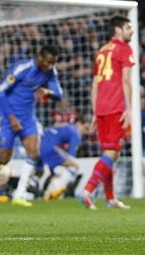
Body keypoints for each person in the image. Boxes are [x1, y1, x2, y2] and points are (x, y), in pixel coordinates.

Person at [0, 46, 63, 207]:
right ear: (40, 57)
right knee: (3, 160)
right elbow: (0, 92)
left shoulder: (50, 72)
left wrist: (47, 92)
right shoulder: (22, 68)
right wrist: (11, 117)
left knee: (33, 153)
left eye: (53, 63)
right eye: (48, 62)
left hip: (28, 119)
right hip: (9, 118)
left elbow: (59, 95)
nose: (51, 66)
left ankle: (19, 194)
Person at [80, 16, 134, 210]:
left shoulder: (102, 50)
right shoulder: (124, 48)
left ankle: (111, 198)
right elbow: (126, 81)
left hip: (102, 108)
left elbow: (94, 84)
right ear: (118, 30)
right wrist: (129, 108)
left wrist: (95, 111)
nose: (132, 31)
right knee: (112, 152)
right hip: (115, 106)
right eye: (128, 28)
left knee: (110, 153)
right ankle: (87, 190)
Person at [40, 116, 89, 201]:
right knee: (74, 166)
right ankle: (56, 189)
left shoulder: (66, 127)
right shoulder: (75, 133)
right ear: (79, 124)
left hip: (39, 144)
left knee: (56, 171)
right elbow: (71, 156)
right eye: (85, 128)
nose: (85, 131)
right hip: (49, 147)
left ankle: (49, 194)